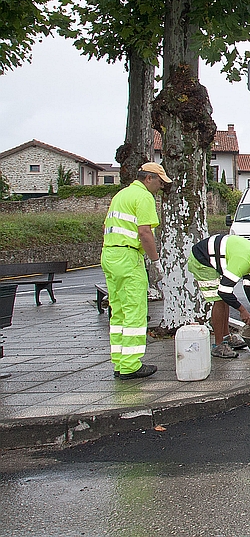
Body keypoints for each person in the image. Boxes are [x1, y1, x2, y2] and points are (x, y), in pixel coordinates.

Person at [101, 162, 170, 380]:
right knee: (135, 311)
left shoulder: (122, 195)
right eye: (160, 182)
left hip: (110, 254)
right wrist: (156, 261)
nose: (160, 187)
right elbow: (145, 233)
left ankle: (120, 362)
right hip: (129, 257)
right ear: (148, 178)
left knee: (119, 311)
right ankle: (131, 365)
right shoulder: (143, 197)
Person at [188, 234, 250, 358]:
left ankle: (226, 338)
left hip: (214, 259)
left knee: (225, 300)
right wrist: (242, 310)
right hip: (202, 260)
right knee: (219, 300)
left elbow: (249, 289)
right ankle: (218, 346)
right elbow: (223, 291)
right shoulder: (244, 260)